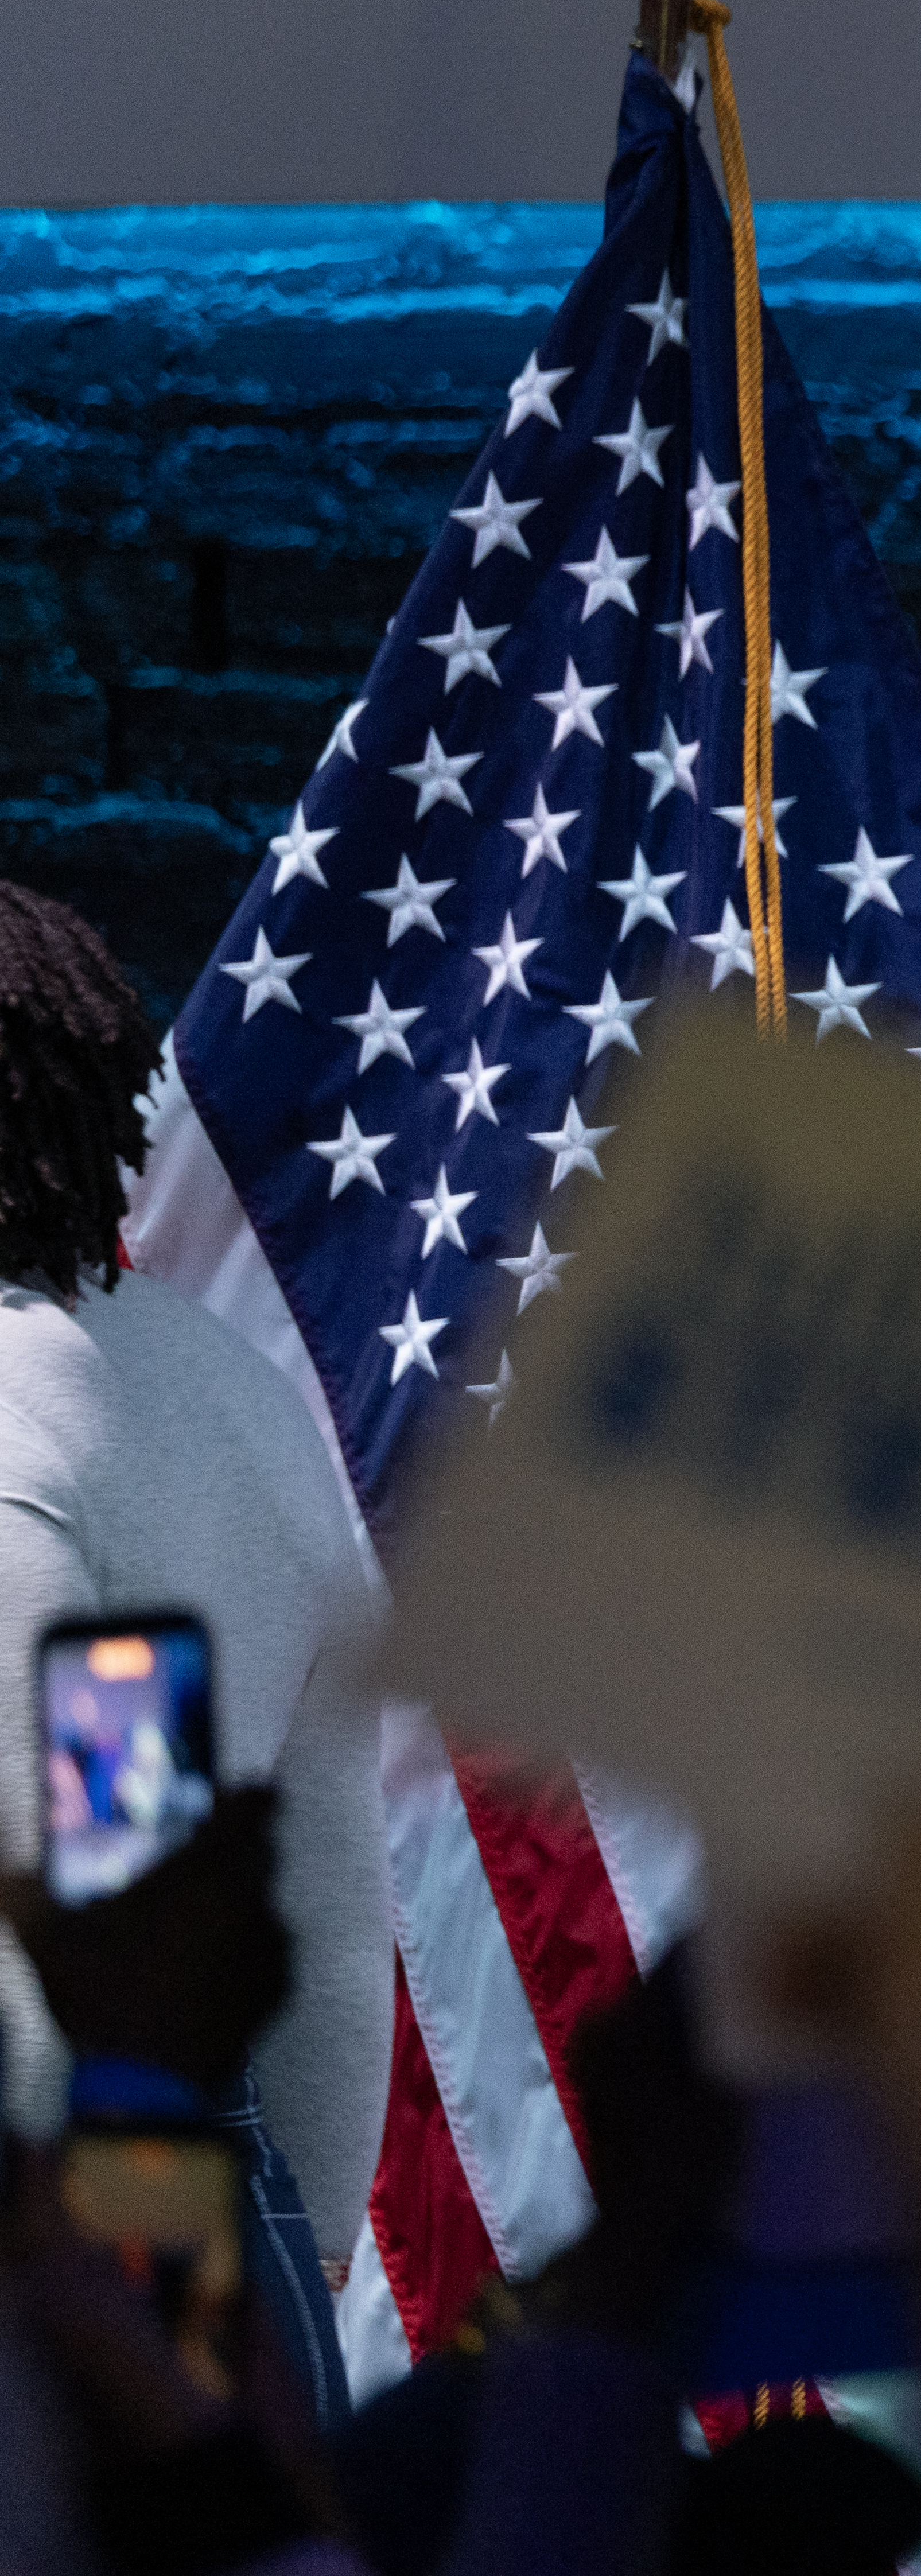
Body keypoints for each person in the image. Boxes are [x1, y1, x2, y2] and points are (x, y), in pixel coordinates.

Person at [0, 880, 389, 2416]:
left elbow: (65, 1908)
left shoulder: (13, 1417)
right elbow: (331, 1901)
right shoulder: (234, 1395)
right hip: (209, 2207)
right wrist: (304, 2247)